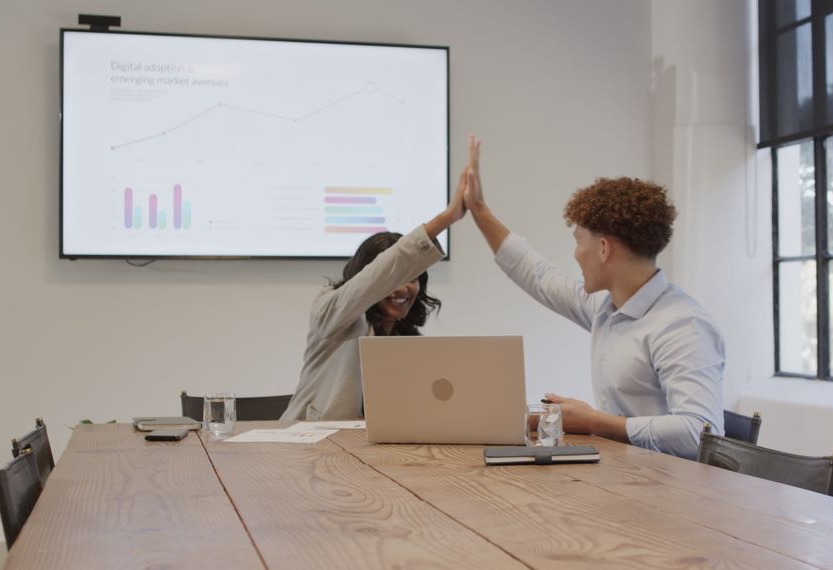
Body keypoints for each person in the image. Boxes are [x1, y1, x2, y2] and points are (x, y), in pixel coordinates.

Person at [463, 136, 724, 459]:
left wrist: (594, 422)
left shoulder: (683, 326)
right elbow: (539, 275)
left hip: (676, 490)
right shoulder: (607, 309)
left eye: (578, 241)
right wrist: (478, 210)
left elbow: (700, 431)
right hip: (630, 475)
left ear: (603, 249)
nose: (575, 254)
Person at [281, 141, 473, 422]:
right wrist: (445, 219)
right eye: (393, 279)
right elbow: (372, 281)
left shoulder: (406, 340)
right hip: (311, 446)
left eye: (412, 279)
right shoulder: (331, 312)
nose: (402, 288)